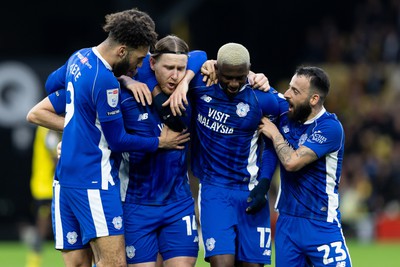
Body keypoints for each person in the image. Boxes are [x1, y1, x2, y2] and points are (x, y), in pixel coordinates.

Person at [30, 8, 190, 267]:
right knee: (114, 262)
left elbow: (51, 84)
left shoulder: (79, 58)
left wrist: (77, 127)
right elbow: (118, 141)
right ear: (122, 51)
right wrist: (160, 142)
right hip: (95, 180)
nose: (139, 67)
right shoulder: (105, 81)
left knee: (80, 263)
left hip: (65, 180)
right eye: (138, 60)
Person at [162, 42, 280, 267]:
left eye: (240, 77)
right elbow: (193, 57)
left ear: (249, 71)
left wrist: (264, 184)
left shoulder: (263, 99)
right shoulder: (200, 85)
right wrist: (191, 76)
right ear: (217, 69)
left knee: (252, 265)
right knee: (221, 263)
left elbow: (272, 145)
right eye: (228, 77)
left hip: (251, 189)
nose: (234, 83)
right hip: (214, 190)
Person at [118, 35, 205, 267]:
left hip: (178, 203)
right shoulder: (127, 92)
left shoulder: (190, 88)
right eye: (169, 68)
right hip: (137, 204)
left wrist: (186, 81)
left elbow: (202, 56)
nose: (175, 76)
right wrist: (125, 79)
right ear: (152, 63)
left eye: (180, 68)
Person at [258, 66, 352, 267]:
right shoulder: (286, 110)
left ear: (314, 99)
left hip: (320, 223)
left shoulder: (329, 128)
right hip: (287, 223)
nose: (287, 94)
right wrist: (257, 77)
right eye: (290, 87)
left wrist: (274, 134)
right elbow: (253, 82)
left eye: (295, 91)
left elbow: (292, 162)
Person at [25, 126, 61, 267]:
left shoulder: (45, 128)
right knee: (42, 226)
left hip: (46, 185)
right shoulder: (47, 129)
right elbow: (55, 158)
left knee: (44, 226)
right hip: (46, 186)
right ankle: (33, 263)